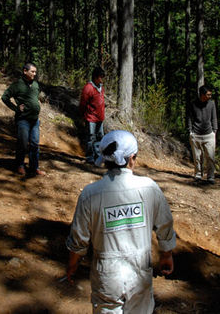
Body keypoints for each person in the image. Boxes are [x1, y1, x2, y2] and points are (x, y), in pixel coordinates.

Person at [66, 130, 176, 313]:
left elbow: (79, 238)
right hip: (140, 273)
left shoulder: (90, 194)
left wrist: (72, 265)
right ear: (132, 158)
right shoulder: (149, 188)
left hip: (107, 275)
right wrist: (166, 254)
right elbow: (165, 225)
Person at [1, 62, 44, 177]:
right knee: (23, 144)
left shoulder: (35, 84)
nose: (34, 74)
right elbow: (4, 97)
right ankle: (20, 165)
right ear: (25, 71)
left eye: (35, 72)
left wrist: (37, 103)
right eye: (32, 71)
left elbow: (37, 95)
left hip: (35, 120)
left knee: (35, 144)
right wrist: (16, 108)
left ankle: (34, 167)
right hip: (23, 120)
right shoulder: (17, 85)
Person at [188, 85, 217, 183]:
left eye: (210, 94)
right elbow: (189, 117)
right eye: (208, 94)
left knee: (211, 157)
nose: (210, 96)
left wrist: (214, 130)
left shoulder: (212, 104)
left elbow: (214, 117)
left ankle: (210, 177)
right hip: (196, 134)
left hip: (209, 134)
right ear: (202, 94)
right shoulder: (193, 104)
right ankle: (198, 175)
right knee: (197, 157)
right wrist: (190, 130)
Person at [79, 66, 106, 164]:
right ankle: (90, 157)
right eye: (101, 77)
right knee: (90, 138)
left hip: (100, 118)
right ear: (95, 77)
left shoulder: (101, 87)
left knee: (100, 137)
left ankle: (98, 156)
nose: (102, 79)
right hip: (91, 118)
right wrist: (82, 115)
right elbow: (83, 103)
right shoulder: (88, 88)